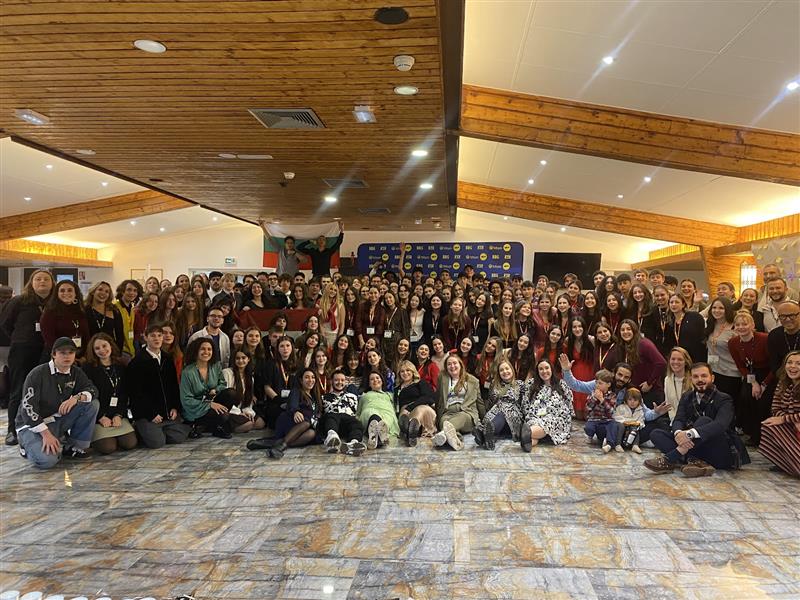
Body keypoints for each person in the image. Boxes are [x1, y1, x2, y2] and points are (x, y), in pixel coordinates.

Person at [644, 362, 750, 477]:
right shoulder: (687, 397)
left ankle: (671, 459)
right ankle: (696, 461)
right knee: (656, 433)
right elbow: (678, 419)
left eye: (704, 376)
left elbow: (721, 425)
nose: (700, 379)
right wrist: (679, 433)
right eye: (695, 376)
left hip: (720, 450)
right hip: (696, 447)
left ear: (712, 378)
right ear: (691, 379)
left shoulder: (724, 399)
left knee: (703, 421)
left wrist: (690, 434)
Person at [15, 337, 99, 469]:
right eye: (62, 353)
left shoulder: (76, 372)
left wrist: (76, 397)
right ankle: (26, 445)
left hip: (56, 419)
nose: (67, 356)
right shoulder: (37, 374)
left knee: (91, 404)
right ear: (54, 354)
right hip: (32, 425)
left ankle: (72, 447)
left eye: (71, 352)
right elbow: (28, 408)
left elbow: (92, 390)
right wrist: (46, 434)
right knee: (47, 461)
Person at [560, 354, 671, 445]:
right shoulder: (601, 383)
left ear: (629, 379)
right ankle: (625, 441)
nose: (622, 379)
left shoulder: (632, 391)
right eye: (620, 375)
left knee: (653, 426)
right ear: (614, 373)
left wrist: (657, 412)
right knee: (602, 428)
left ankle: (623, 440)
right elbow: (576, 385)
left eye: (626, 377)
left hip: (625, 425)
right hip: (606, 423)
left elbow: (645, 414)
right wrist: (566, 371)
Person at [0, 269, 54, 446]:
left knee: (42, 390)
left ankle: (39, 427)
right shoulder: (18, 301)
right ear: (31, 282)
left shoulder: (54, 303)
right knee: (18, 389)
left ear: (52, 283)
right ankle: (12, 430)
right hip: (22, 350)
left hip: (46, 350)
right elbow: (5, 324)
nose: (42, 282)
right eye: (38, 279)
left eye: (46, 279)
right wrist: (20, 338)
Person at [126, 324, 191, 448]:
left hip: (166, 413)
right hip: (148, 414)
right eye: (152, 336)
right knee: (157, 443)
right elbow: (135, 393)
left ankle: (162, 429)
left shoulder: (167, 359)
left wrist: (174, 407)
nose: (157, 339)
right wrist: (151, 414)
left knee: (179, 437)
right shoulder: (137, 362)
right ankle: (141, 429)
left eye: (159, 335)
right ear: (145, 338)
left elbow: (173, 387)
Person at [82, 333, 138, 455]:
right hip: (98, 416)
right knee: (108, 447)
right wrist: (101, 417)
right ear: (92, 351)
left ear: (111, 346)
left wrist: (119, 414)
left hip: (117, 414)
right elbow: (88, 398)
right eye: (97, 348)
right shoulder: (88, 369)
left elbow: (124, 394)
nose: (102, 350)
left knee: (130, 443)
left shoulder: (120, 367)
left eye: (104, 346)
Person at [728, 311, 772, 441]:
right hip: (751, 374)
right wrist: (753, 383)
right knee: (746, 398)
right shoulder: (733, 342)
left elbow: (775, 366)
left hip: (769, 374)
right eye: (738, 325)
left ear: (752, 325)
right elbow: (741, 366)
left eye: (745, 324)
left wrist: (763, 385)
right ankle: (753, 434)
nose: (741, 327)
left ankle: (765, 436)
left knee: (763, 403)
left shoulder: (765, 339)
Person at [181, 338, 236, 439]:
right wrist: (209, 404)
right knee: (224, 416)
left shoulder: (216, 366)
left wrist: (215, 389)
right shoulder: (187, 372)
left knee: (231, 393)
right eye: (202, 349)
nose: (206, 352)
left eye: (209, 349)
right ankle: (199, 425)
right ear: (196, 351)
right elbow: (186, 399)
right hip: (195, 408)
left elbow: (222, 384)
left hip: (213, 399)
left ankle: (216, 426)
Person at [758, 351, 800, 477]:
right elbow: (775, 409)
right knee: (769, 426)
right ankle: (790, 465)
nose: (792, 366)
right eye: (789, 362)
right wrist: (791, 420)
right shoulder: (782, 383)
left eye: (798, 363)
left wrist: (785, 419)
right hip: (792, 425)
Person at [520, 358, 574, 451]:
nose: (544, 371)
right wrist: (529, 416)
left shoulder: (561, 384)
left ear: (551, 369)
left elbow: (569, 403)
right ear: (537, 371)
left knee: (547, 422)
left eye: (546, 368)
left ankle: (525, 433)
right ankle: (527, 441)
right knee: (534, 424)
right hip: (535, 418)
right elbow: (525, 404)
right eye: (541, 369)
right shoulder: (531, 384)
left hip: (556, 419)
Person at [269, 369, 322, 459]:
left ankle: (278, 444)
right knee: (306, 423)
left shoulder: (315, 397)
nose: (310, 380)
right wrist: (295, 411)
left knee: (311, 433)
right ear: (301, 380)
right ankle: (280, 447)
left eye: (313, 377)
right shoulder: (296, 391)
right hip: (291, 421)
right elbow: (292, 403)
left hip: (305, 427)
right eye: (307, 377)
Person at [474, 358, 524, 450]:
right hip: (496, 414)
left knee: (503, 411)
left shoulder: (520, 384)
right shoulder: (494, 384)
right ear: (499, 373)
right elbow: (490, 403)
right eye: (501, 370)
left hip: (513, 418)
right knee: (496, 415)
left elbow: (524, 404)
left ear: (512, 370)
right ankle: (488, 436)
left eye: (507, 369)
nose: (505, 371)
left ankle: (483, 434)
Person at [433, 354, 480, 451]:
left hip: (466, 413)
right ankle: (455, 438)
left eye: (455, 363)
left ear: (460, 364)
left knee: (459, 418)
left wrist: (484, 418)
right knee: (444, 421)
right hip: (447, 412)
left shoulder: (473, 380)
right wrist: (438, 417)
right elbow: (438, 397)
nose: (452, 366)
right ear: (446, 367)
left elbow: (479, 401)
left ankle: (443, 434)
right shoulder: (442, 378)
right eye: (449, 364)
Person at [320, 369, 367, 455]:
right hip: (331, 421)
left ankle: (353, 444)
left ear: (345, 381)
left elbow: (355, 412)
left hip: (347, 421)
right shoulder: (324, 397)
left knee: (356, 423)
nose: (339, 382)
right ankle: (332, 437)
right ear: (331, 381)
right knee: (331, 416)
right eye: (336, 380)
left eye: (342, 380)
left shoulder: (352, 396)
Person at [39, 280, 90, 358]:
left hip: (79, 356)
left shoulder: (81, 311)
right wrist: (66, 355)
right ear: (57, 294)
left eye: (70, 290)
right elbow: (49, 338)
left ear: (75, 293)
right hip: (57, 356)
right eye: (62, 291)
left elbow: (86, 335)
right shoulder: (50, 312)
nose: (66, 293)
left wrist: (84, 355)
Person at [222, 349, 266, 433]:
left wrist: (247, 411)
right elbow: (226, 397)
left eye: (243, 358)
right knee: (249, 424)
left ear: (248, 359)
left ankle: (243, 424)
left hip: (241, 408)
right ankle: (232, 427)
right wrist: (239, 413)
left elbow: (248, 398)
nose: (240, 361)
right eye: (237, 358)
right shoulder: (227, 373)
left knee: (260, 423)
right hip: (230, 410)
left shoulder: (249, 377)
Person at [394, 359, 437, 446]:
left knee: (420, 409)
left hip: (423, 408)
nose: (405, 373)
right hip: (405, 412)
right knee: (403, 416)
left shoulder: (420, 383)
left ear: (413, 371)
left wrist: (409, 408)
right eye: (402, 371)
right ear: (399, 374)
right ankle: (409, 429)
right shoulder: (396, 389)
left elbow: (428, 398)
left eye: (408, 370)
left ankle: (412, 430)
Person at [581, 369, 621, 452]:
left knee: (613, 425)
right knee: (588, 427)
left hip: (607, 420)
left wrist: (602, 400)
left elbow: (611, 411)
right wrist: (594, 399)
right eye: (596, 383)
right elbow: (587, 408)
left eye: (600, 383)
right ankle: (590, 435)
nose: (597, 385)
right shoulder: (592, 393)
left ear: (608, 384)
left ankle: (609, 444)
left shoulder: (612, 395)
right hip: (594, 419)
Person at [358, 371, 398, 449]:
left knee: (387, 419)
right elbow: (358, 412)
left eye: (377, 378)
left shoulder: (390, 395)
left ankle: (375, 437)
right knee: (372, 414)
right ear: (369, 384)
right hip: (370, 412)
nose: (375, 380)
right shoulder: (364, 395)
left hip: (387, 414)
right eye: (372, 379)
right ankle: (380, 436)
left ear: (382, 381)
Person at [84, 281, 125, 354]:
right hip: (90, 351)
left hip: (110, 351)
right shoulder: (85, 310)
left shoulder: (114, 310)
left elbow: (120, 334)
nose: (103, 293)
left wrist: (118, 352)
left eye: (107, 291)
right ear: (93, 292)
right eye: (100, 289)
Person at [113, 279, 142, 356]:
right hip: (119, 350)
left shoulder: (132, 309)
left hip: (130, 350)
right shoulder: (115, 308)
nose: (132, 293)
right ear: (122, 291)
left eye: (135, 290)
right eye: (129, 290)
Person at [612, 388, 645, 453]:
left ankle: (635, 445)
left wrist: (637, 424)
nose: (632, 402)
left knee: (636, 429)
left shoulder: (640, 410)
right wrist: (624, 421)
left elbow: (641, 421)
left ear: (639, 401)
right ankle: (618, 444)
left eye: (635, 400)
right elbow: (615, 416)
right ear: (626, 400)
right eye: (630, 400)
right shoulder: (621, 407)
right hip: (622, 427)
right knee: (621, 426)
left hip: (632, 430)